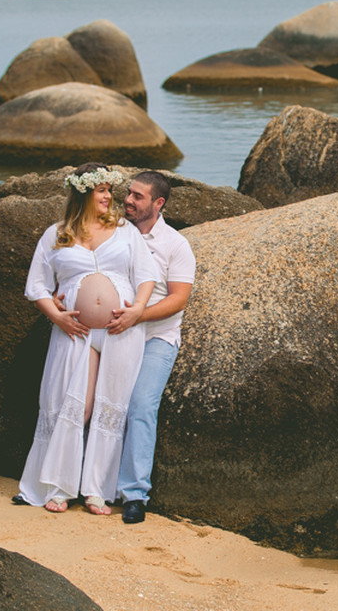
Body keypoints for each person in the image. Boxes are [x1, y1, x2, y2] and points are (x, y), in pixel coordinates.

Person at [14, 163, 159, 515]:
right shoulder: (56, 234)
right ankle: (59, 486)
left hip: (119, 332)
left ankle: (96, 490)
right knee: (73, 405)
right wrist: (57, 316)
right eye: (102, 190)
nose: (110, 197)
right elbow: (36, 286)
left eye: (111, 190)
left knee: (110, 407)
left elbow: (147, 276)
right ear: (83, 193)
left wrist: (136, 310)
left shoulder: (125, 231)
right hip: (73, 333)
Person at [108, 171, 196, 524]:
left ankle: (134, 495)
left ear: (158, 204)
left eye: (137, 197)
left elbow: (179, 300)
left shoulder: (176, 245)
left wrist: (138, 317)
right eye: (128, 193)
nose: (128, 200)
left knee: (141, 405)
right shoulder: (115, 233)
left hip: (156, 337)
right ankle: (91, 484)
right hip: (113, 333)